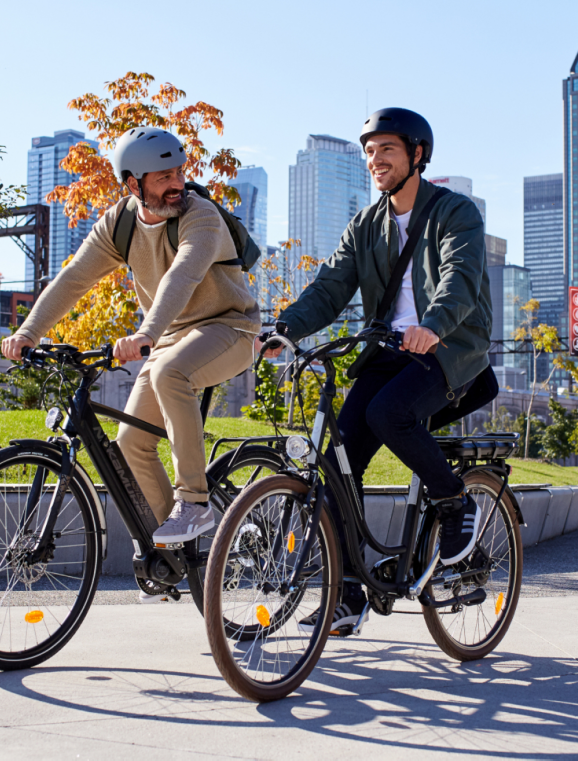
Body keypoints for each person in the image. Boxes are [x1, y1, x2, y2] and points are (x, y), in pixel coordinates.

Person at [259, 108, 493, 632]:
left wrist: (432, 324)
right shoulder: (367, 225)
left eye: (386, 148)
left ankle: (454, 500)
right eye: (369, 151)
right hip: (387, 351)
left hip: (447, 348)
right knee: (337, 460)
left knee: (391, 412)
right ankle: (348, 593)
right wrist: (287, 329)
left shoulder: (456, 213)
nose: (374, 159)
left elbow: (460, 276)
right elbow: (330, 286)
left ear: (416, 154)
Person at [2, 127, 261, 600]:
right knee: (129, 442)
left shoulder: (201, 217)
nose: (176, 183)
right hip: (170, 339)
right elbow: (73, 278)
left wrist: (145, 335)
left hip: (230, 329)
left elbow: (181, 279)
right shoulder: (118, 225)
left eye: (180, 172)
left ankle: (195, 501)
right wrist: (27, 332)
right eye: (164, 176)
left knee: (167, 371)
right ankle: (170, 554)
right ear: (132, 183)